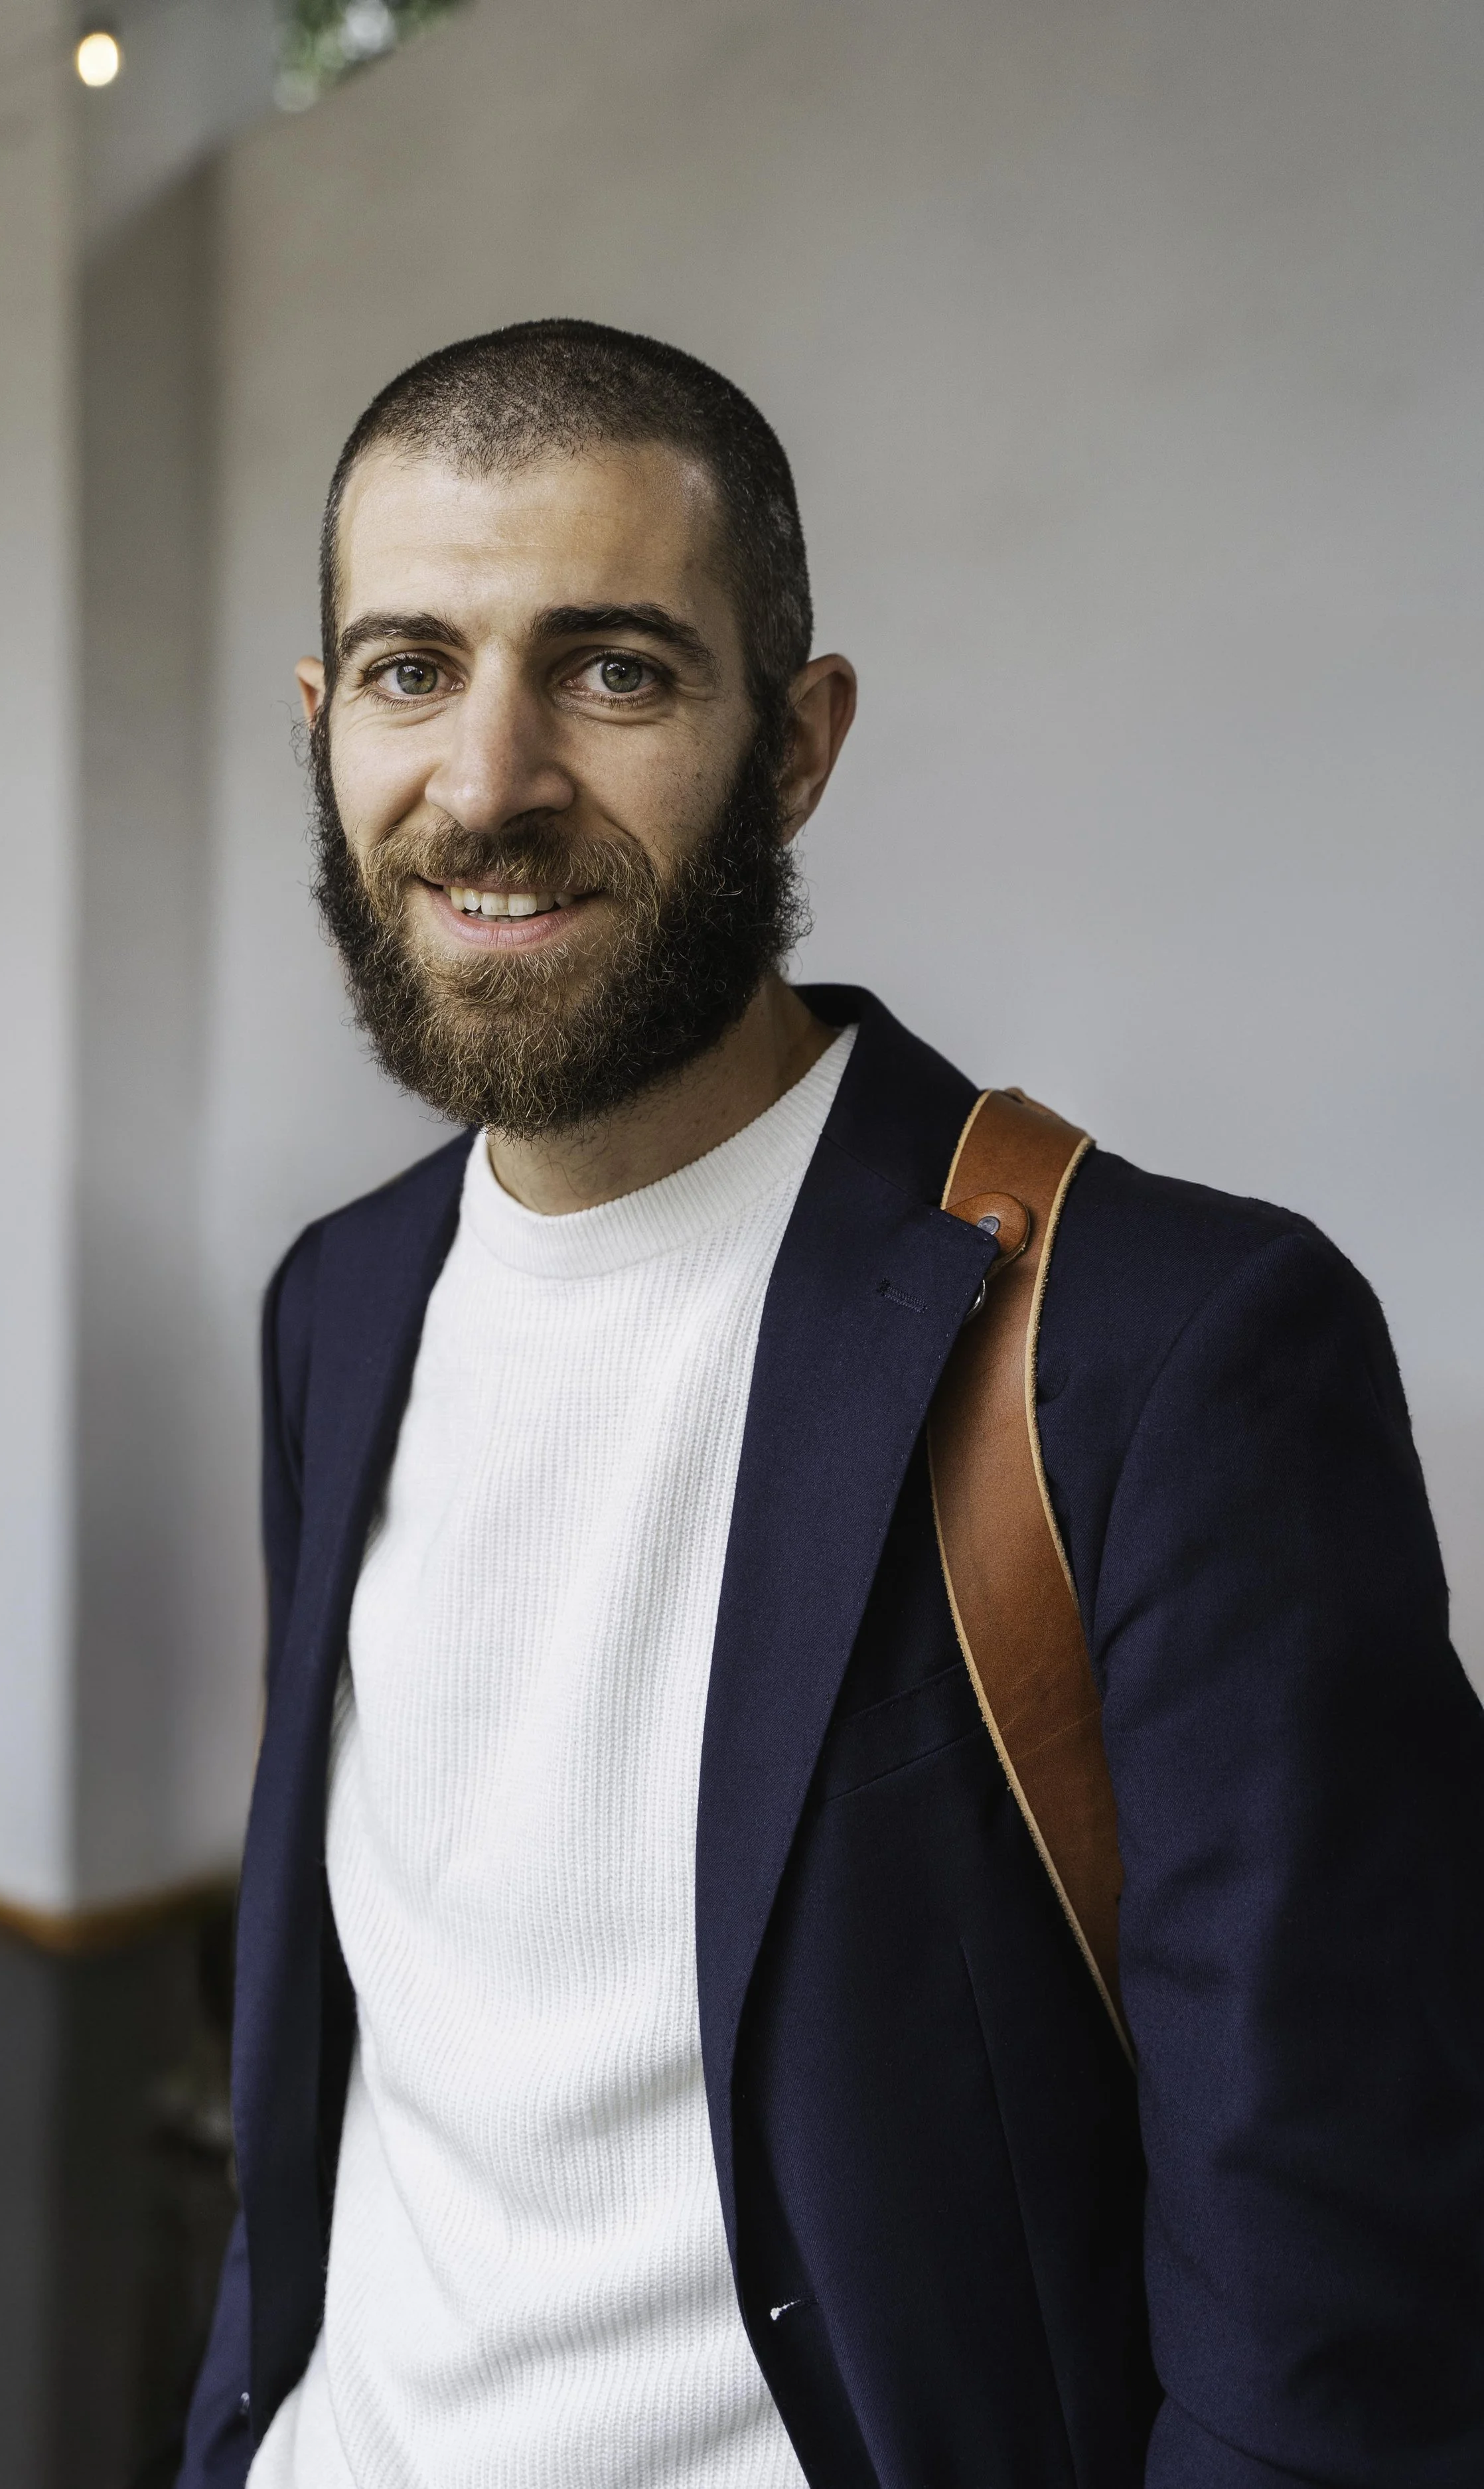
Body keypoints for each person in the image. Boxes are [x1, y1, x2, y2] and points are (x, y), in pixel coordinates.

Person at [178, 321, 1484, 2489]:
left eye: (610, 669)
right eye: (411, 667)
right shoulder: (339, 1302)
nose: (487, 778)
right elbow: (352, 2063)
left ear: (796, 745)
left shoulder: (1172, 1348)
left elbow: (1334, 2344)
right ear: (324, 727)